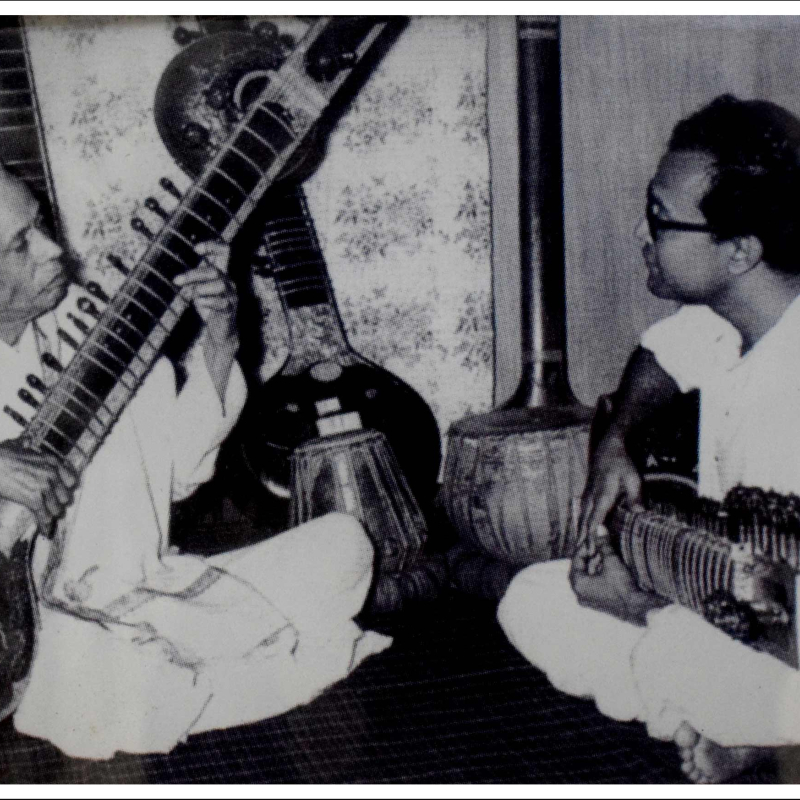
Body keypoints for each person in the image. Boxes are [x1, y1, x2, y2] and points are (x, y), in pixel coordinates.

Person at [0, 166, 390, 760]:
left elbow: (183, 467)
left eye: (41, 222)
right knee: (93, 677)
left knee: (345, 543)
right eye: (20, 243)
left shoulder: (93, 322)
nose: (55, 248)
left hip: (149, 584)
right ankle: (233, 670)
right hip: (51, 631)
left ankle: (193, 685)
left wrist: (220, 337)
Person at [498, 95, 800, 783]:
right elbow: (660, 353)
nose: (641, 230)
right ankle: (735, 728)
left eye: (661, 220)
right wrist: (618, 441)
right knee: (534, 599)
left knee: (680, 657)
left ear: (740, 251)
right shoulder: (736, 317)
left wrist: (655, 603)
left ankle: (748, 731)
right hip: (737, 609)